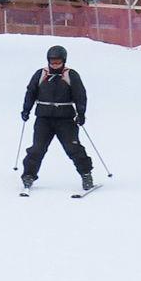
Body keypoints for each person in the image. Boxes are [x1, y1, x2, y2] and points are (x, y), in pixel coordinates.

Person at [21, 44, 95, 191]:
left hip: (65, 119)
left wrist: (81, 114)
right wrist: (26, 110)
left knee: (73, 147)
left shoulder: (70, 75)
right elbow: (31, 92)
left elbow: (80, 95)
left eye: (58, 62)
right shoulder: (41, 74)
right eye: (52, 62)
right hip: (43, 118)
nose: (55, 65)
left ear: (64, 61)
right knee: (37, 148)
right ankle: (28, 175)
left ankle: (86, 174)